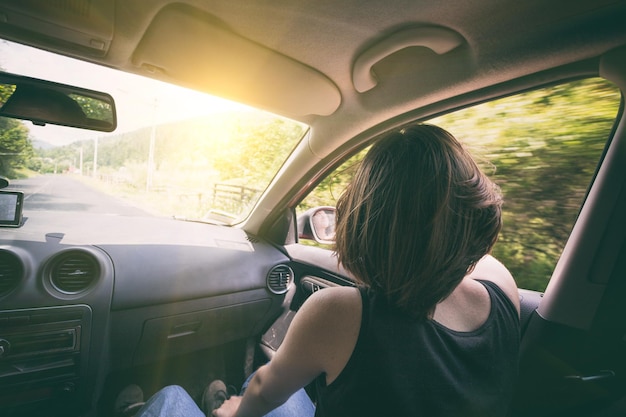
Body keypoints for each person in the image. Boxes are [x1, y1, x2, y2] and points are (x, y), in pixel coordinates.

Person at [130, 123, 521, 417]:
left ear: (364, 225)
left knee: (172, 400)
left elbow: (267, 391)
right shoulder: (502, 287)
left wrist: (237, 412)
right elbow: (463, 250)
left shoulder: (341, 313)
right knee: (289, 389)